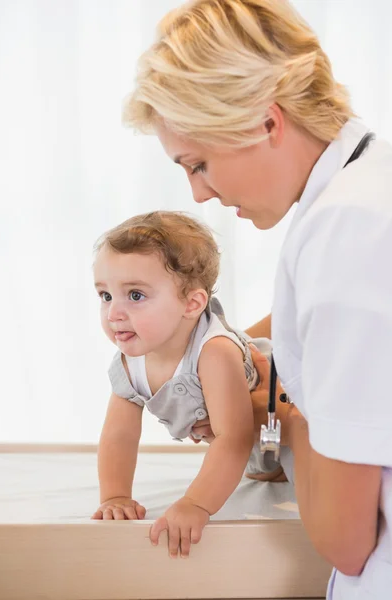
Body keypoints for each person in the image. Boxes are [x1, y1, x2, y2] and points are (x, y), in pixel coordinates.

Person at [123, 0, 392, 598]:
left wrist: (279, 413)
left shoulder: (347, 230)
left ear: (263, 122)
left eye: (199, 164)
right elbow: (315, 328)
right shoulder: (368, 187)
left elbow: (348, 543)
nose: (198, 194)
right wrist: (215, 355)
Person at [91, 210, 289, 559]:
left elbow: (234, 437)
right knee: (266, 473)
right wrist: (115, 496)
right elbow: (119, 436)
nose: (113, 314)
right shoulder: (130, 360)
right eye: (106, 295)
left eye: (135, 295)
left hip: (291, 413)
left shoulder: (214, 352)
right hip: (261, 461)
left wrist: (196, 503)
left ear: (192, 303)